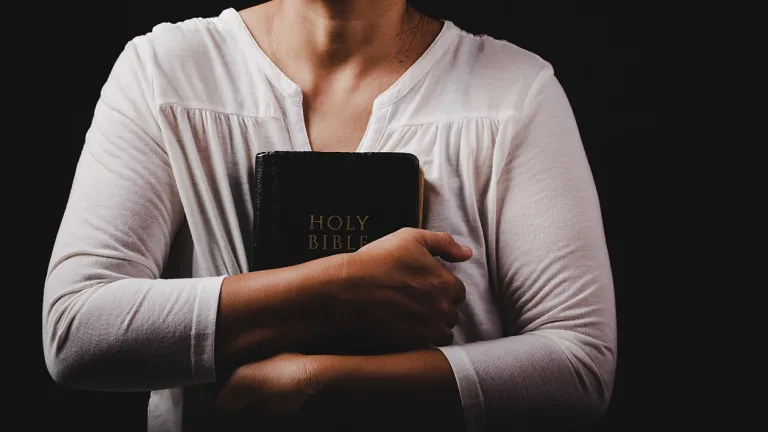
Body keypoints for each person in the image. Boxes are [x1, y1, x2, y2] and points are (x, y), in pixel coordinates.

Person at [42, 1, 617, 431]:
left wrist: (322, 382)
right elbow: (76, 331)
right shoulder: (166, 72)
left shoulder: (515, 92)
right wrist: (338, 290)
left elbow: (579, 366)